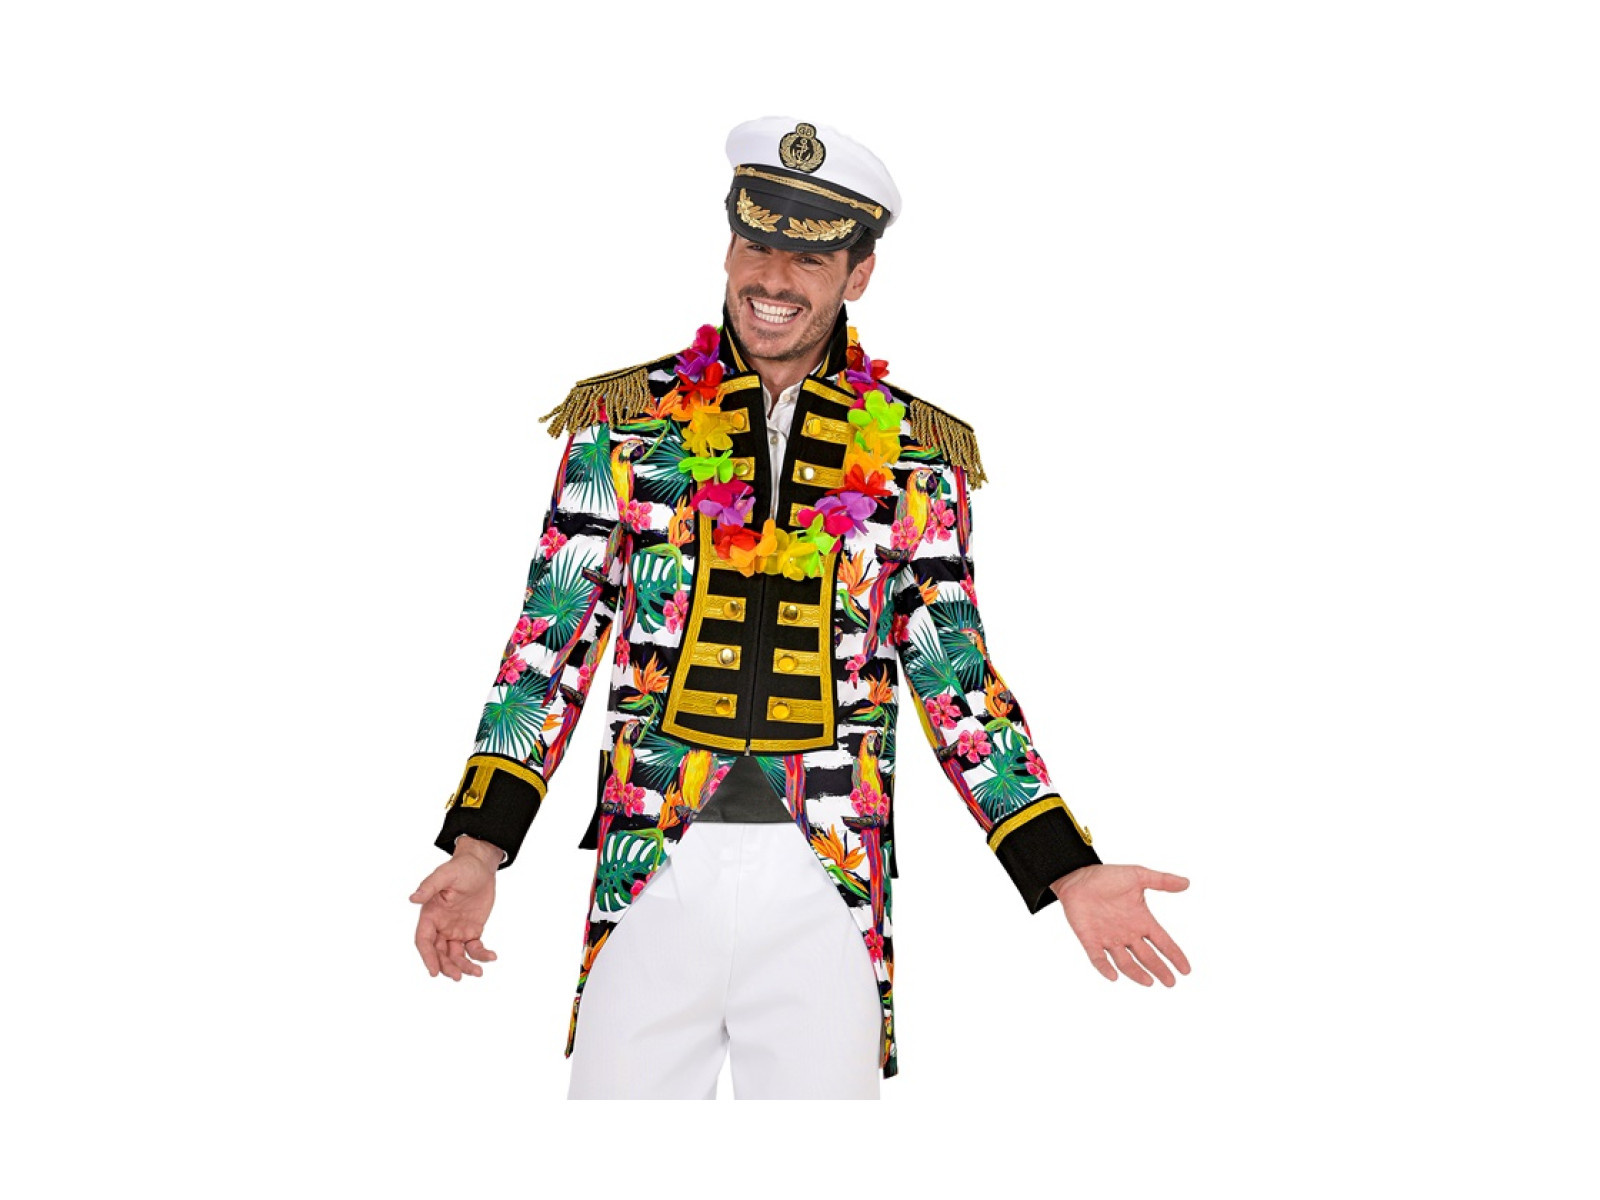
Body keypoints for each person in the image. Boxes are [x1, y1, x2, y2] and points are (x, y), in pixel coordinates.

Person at [409, 116, 1192, 1100]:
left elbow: (952, 670)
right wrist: (478, 848)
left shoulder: (916, 451)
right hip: (649, 866)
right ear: (727, 248)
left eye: (810, 258)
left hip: (828, 875)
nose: (772, 277)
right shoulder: (622, 423)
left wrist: (1064, 866)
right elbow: (550, 643)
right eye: (755, 245)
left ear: (857, 273)